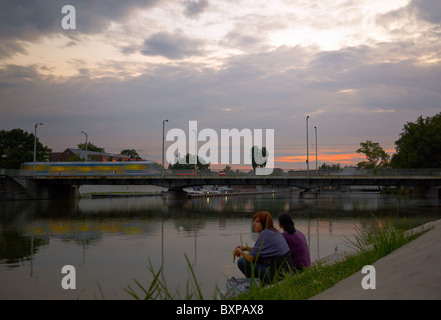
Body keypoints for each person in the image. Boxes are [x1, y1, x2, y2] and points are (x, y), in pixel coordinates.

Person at [233, 211, 294, 284]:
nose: (254, 224)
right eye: (254, 221)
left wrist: (239, 251)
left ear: (264, 223)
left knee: (242, 262)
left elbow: (250, 258)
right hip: (285, 273)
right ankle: (259, 283)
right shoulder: (274, 231)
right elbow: (260, 251)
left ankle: (255, 284)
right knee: (259, 258)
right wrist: (246, 248)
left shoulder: (264, 234)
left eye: (257, 222)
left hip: (277, 276)